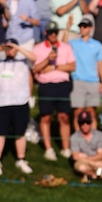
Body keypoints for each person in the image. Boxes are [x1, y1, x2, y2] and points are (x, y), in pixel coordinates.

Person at [0, 39, 35, 176]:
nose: (9, 51)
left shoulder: (23, 62)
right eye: (7, 48)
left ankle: (21, 159)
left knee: (20, 133)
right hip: (2, 103)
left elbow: (34, 58)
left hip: (20, 102)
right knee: (0, 132)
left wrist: (18, 48)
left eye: (11, 48)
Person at [33, 21, 76, 160]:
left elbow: (72, 66)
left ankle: (65, 148)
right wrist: (47, 60)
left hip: (62, 85)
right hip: (46, 86)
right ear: (46, 33)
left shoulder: (65, 47)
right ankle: (49, 148)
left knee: (64, 116)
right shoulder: (38, 48)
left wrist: (54, 67)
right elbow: (35, 69)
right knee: (46, 117)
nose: (53, 35)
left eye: (55, 32)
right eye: (50, 32)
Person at [68, 15, 102, 134]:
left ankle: (92, 139)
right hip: (77, 81)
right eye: (81, 26)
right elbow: (62, 45)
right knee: (77, 112)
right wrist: (67, 28)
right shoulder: (73, 43)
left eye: (85, 26)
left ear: (90, 28)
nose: (82, 29)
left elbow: (100, 64)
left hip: (93, 82)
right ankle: (78, 140)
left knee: (91, 112)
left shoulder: (97, 44)